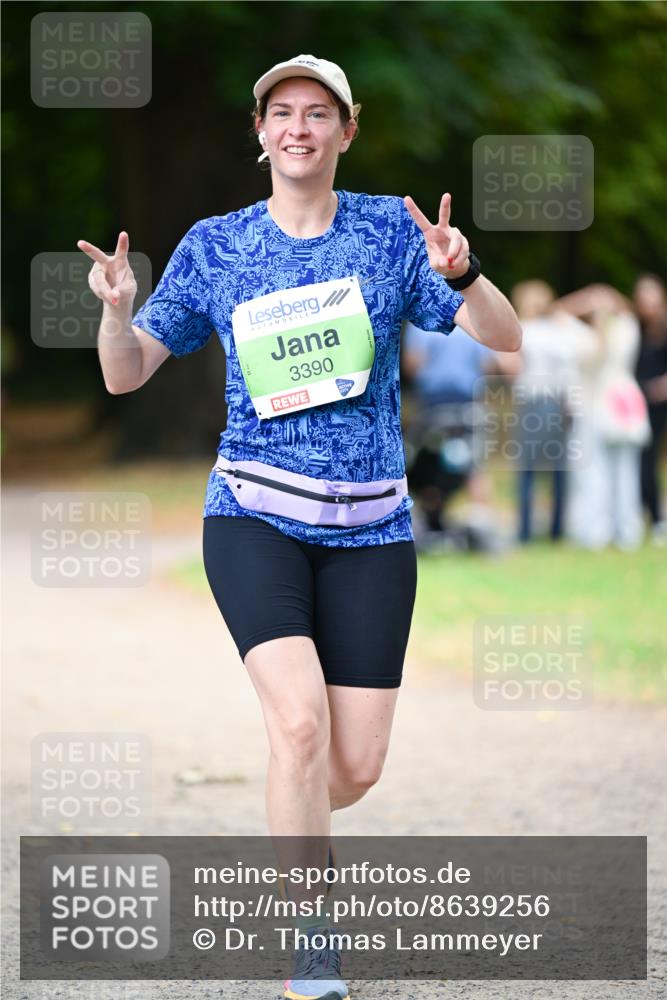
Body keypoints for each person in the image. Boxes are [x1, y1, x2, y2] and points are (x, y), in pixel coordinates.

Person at [78, 54, 521, 1000]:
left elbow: (506, 335)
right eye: (281, 112)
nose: (298, 127)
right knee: (297, 720)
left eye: (318, 113)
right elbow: (126, 374)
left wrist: (467, 271)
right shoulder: (217, 244)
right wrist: (118, 314)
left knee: (350, 766)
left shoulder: (389, 232)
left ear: (345, 131)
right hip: (253, 513)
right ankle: (311, 941)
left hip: (372, 527)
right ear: (260, 131)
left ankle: (291, 808)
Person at [554, 285, 650, 550]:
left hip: (619, 405)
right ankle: (596, 529)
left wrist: (605, 316)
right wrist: (585, 300)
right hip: (592, 406)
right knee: (592, 472)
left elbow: (606, 354)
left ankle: (626, 530)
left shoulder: (626, 327)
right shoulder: (580, 334)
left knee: (625, 470)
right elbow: (557, 311)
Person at [633, 274, 667, 544]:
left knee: (647, 462)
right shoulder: (637, 329)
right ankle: (641, 515)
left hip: (658, 406)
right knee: (637, 463)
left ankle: (656, 518)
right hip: (635, 404)